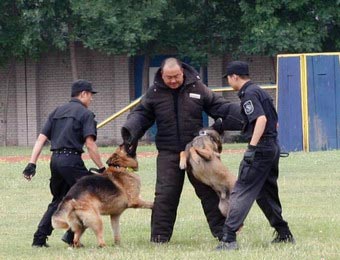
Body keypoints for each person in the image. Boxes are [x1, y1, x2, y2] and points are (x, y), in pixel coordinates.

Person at [121, 57, 243, 243]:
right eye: (168, 77)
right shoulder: (154, 92)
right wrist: (130, 130)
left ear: (182, 72)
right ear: (162, 75)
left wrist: (244, 115)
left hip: (197, 149)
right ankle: (159, 237)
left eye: (176, 76)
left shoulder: (198, 87)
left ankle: (223, 233)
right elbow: (142, 114)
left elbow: (220, 106)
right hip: (169, 152)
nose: (172, 81)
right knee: (165, 194)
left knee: (208, 191)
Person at [215, 61, 295, 251]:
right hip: (271, 146)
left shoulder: (249, 94)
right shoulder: (259, 91)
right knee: (265, 193)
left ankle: (228, 238)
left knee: (242, 189)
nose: (228, 81)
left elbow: (261, 119)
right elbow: (272, 121)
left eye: (228, 77)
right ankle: (283, 233)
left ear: (234, 76)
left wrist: (252, 148)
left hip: (261, 149)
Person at [22, 79, 106, 247]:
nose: (92, 99)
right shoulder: (86, 114)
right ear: (83, 94)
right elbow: (90, 144)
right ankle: (70, 236)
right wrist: (102, 168)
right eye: (90, 95)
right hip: (72, 161)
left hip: (56, 161)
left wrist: (32, 163)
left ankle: (39, 239)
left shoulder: (56, 111)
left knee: (59, 200)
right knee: (92, 196)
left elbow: (41, 139)